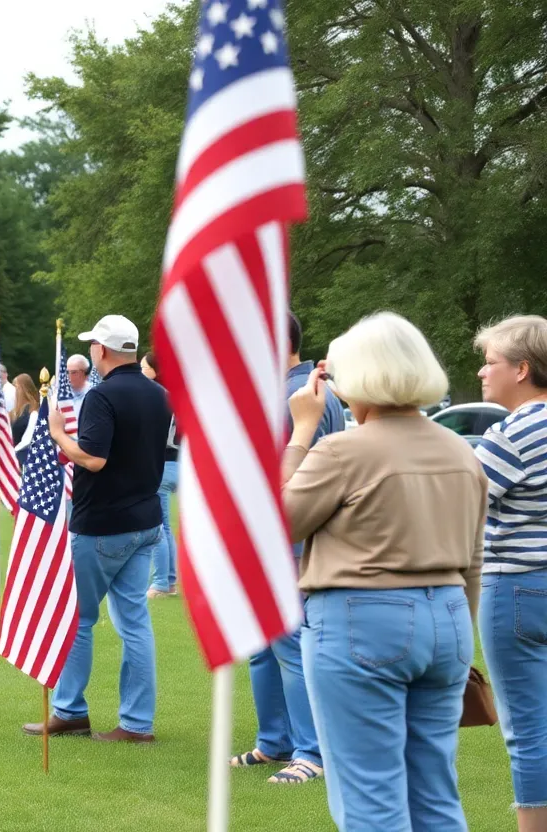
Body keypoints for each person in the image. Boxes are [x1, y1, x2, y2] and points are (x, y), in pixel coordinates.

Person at [284, 312, 484, 828]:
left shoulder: (343, 449)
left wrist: (302, 429)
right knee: (436, 793)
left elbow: (277, 522)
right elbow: (474, 558)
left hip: (361, 616)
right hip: (449, 616)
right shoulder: (461, 450)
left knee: (371, 799)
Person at [25, 314, 169, 742]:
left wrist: (57, 435)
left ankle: (70, 710)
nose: (90, 351)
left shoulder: (103, 397)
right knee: (134, 622)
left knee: (78, 618)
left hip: (103, 523)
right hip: (145, 521)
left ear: (102, 350)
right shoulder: (159, 394)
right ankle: (137, 723)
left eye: (92, 345)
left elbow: (92, 458)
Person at [233, 312, 345, 784]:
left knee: (289, 643)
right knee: (264, 645)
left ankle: (310, 752)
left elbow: (294, 478)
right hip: (281, 538)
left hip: (289, 540)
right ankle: (274, 742)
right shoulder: (311, 390)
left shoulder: (297, 396)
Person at [473, 314, 547, 831]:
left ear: (522, 369)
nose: (481, 371)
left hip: (516, 588)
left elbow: (460, 505)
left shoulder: (512, 433)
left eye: (490, 361)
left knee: (527, 727)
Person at [140, 353, 179, 598]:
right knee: (165, 525)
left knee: (159, 526)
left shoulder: (155, 396)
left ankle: (161, 583)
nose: (140, 371)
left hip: (162, 465)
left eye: (144, 367)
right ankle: (171, 580)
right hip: (179, 463)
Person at [10, 373, 40, 466]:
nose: (14, 390)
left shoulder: (33, 411)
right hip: (14, 455)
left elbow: (28, 439)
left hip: (23, 457)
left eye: (16, 387)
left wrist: (13, 452)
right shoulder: (15, 411)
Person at [66, 353, 92, 420]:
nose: (69, 376)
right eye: (67, 372)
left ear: (85, 373)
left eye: (74, 372)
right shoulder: (61, 395)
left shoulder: (93, 395)